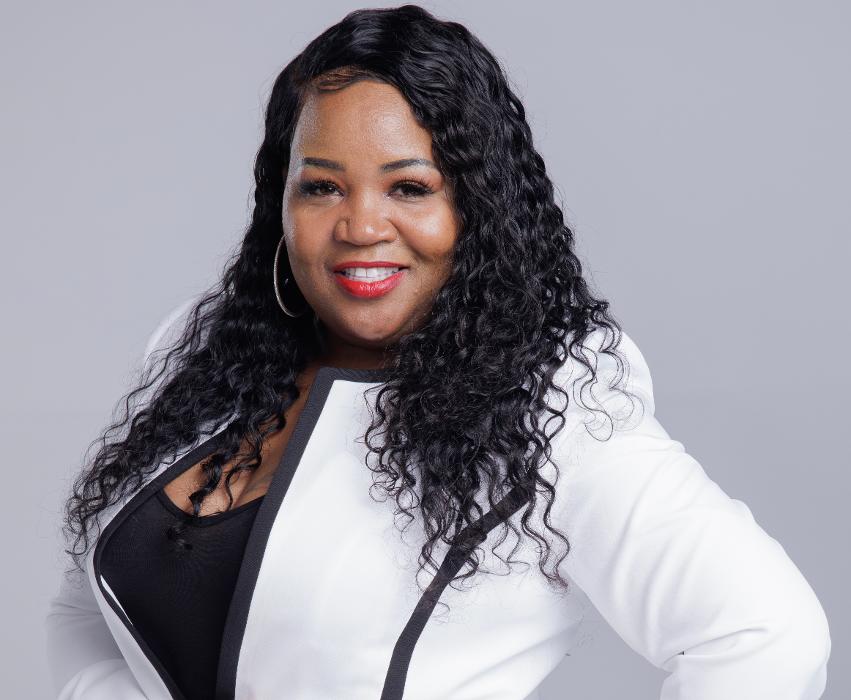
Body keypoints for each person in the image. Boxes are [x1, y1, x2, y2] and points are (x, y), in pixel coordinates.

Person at [44, 4, 831, 700]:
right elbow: (87, 604)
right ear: (279, 202)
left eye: (409, 188)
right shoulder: (204, 351)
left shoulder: (548, 404)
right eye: (322, 186)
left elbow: (764, 637)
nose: (360, 226)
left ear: (474, 209)